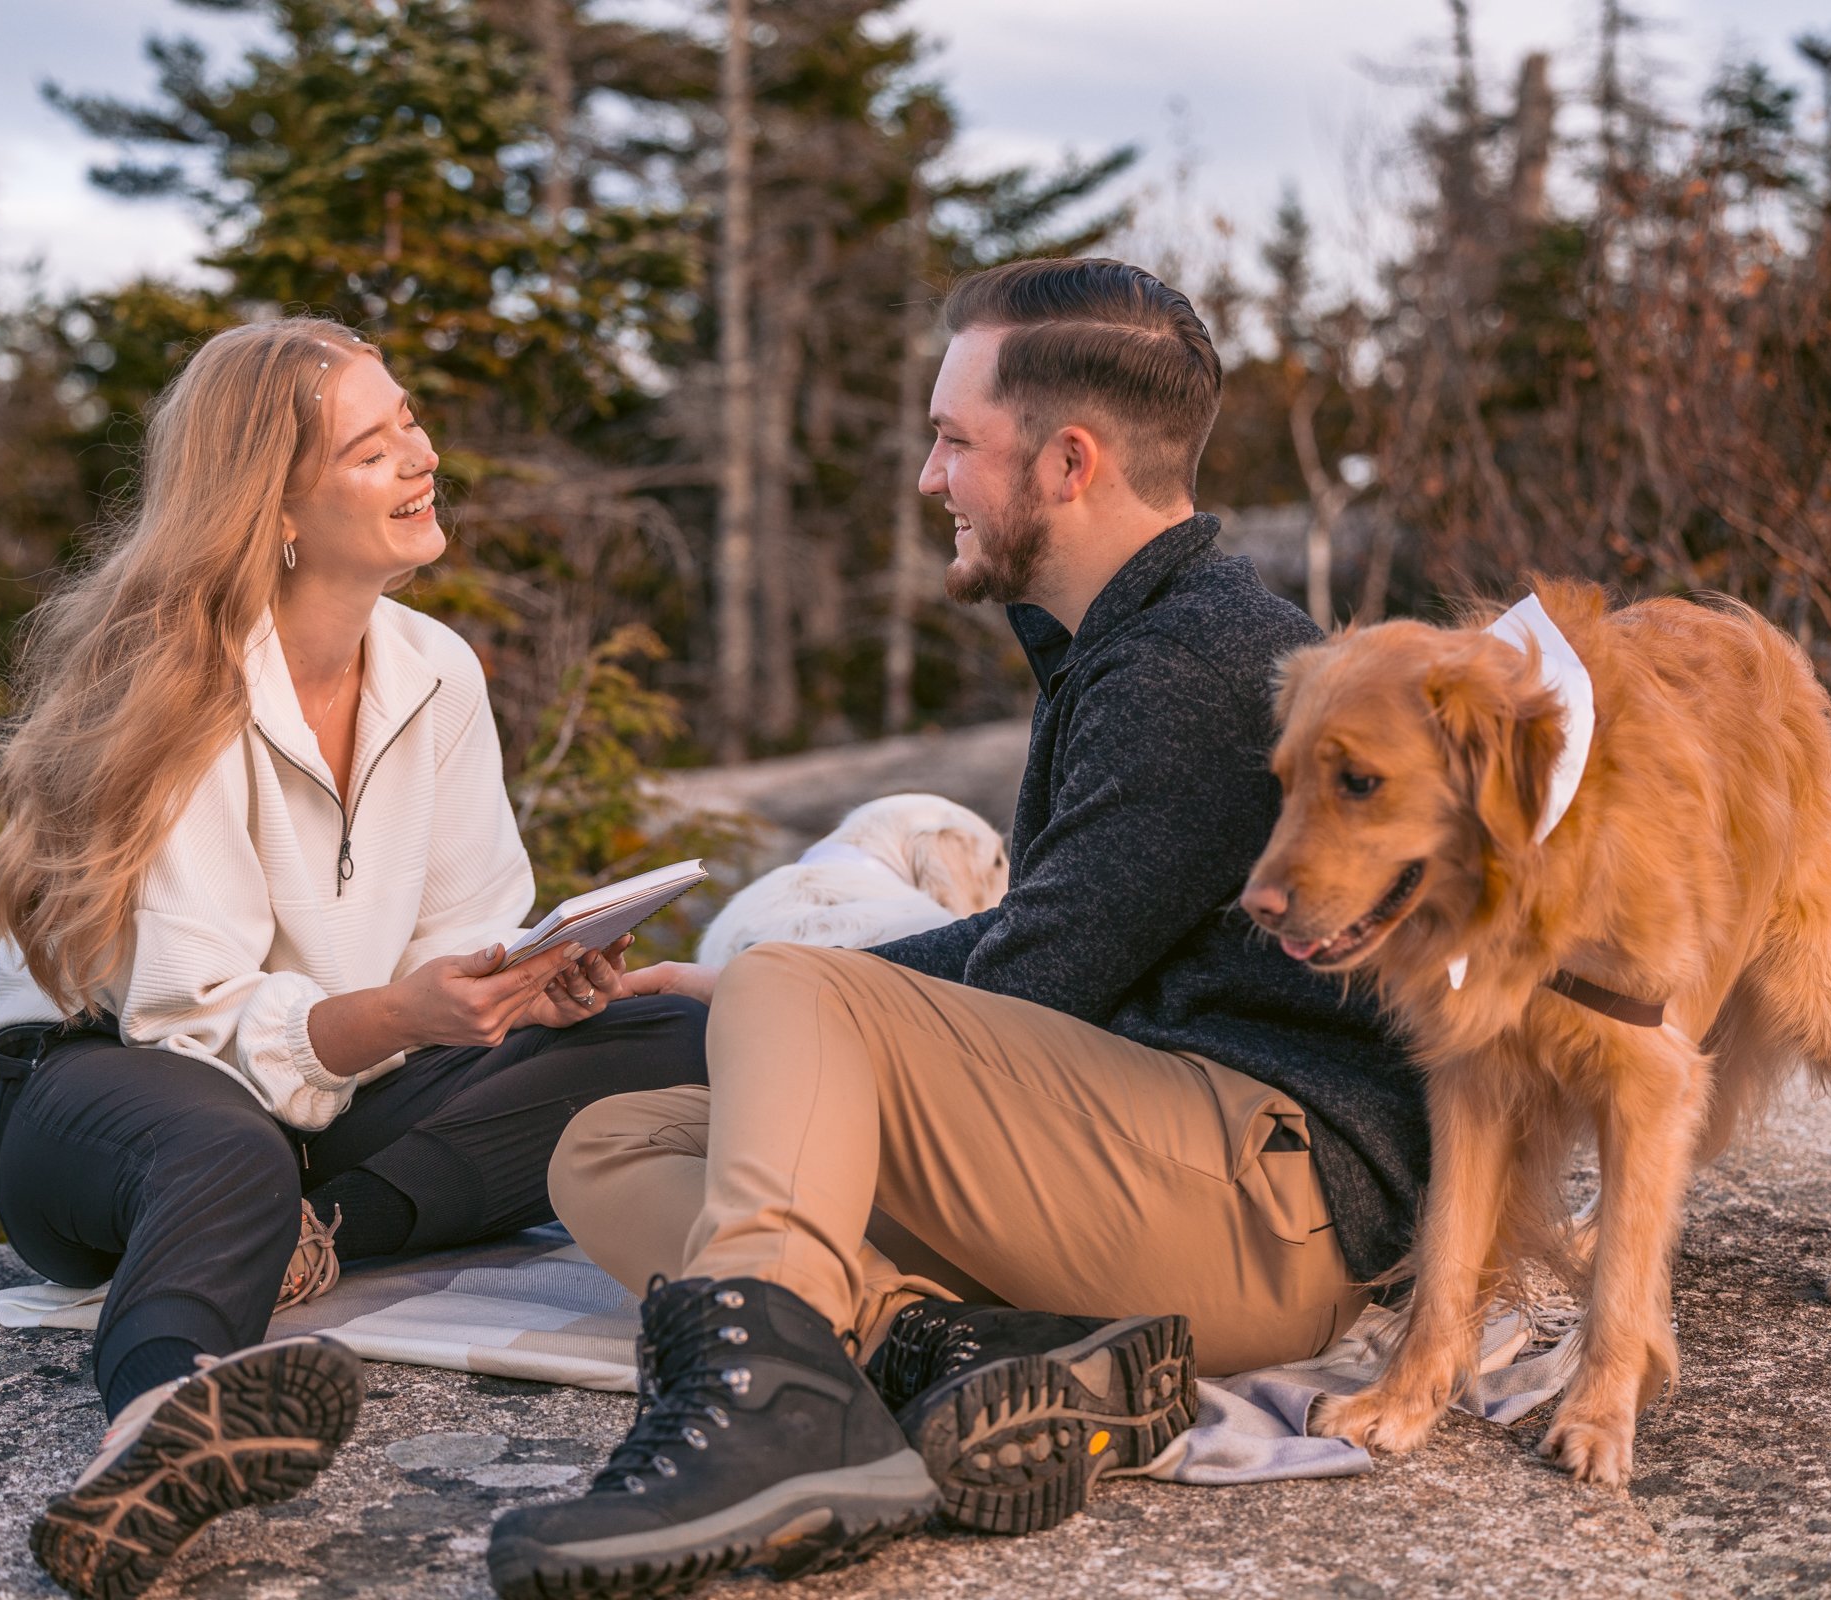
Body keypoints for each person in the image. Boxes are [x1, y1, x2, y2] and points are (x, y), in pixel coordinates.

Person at [487, 259, 1428, 1599]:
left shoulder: (1190, 664)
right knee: (611, 1146)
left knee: (794, 996)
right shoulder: (1133, 638)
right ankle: (971, 1357)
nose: (931, 478)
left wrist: (771, 995)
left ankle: (770, 1414)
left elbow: (1029, 987)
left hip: (1264, 1196)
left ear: (1069, 462)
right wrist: (721, 989)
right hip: (1160, 1163)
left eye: (953, 441)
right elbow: (1032, 965)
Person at [0, 317, 708, 1600]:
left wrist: (523, 988)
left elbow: (454, 951)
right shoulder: (175, 680)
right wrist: (403, 1014)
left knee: (674, 1038)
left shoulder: (439, 672)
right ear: (280, 505)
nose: (423, 457)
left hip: (342, 1100)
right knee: (223, 1145)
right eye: (374, 447)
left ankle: (306, 1233)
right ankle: (153, 1428)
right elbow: (188, 1024)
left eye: (409, 421)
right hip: (109, 1092)